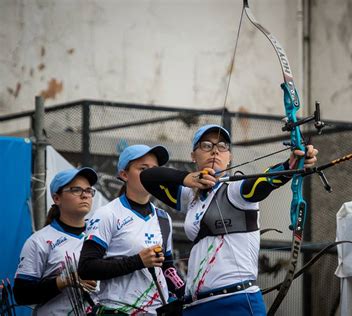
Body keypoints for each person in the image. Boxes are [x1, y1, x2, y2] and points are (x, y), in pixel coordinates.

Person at [140, 124, 318, 315]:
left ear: (230, 157)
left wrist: (290, 165)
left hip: (236, 302)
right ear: (193, 155)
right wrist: (187, 179)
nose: (215, 150)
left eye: (223, 146)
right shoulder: (190, 196)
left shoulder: (235, 190)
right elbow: (147, 177)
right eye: (207, 145)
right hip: (195, 306)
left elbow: (265, 181)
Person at [78, 144, 185, 315]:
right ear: (124, 174)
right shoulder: (108, 213)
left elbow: (168, 268)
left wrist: (188, 294)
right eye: (143, 169)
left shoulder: (164, 218)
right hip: (118, 310)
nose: (151, 175)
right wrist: (138, 261)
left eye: (155, 170)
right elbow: (86, 267)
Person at [13, 167, 99, 315]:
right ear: (57, 198)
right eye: (76, 190)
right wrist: (63, 281)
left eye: (88, 190)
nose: (85, 195)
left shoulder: (100, 233)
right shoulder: (39, 240)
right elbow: (21, 294)